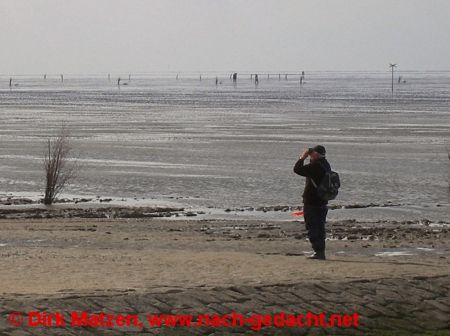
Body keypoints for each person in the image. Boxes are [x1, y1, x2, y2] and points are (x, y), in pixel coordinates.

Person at [293, 145, 331, 260]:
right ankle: (320, 251)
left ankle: (318, 252)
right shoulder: (325, 164)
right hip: (323, 201)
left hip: (312, 202)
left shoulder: (315, 166)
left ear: (316, 154)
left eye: (312, 153)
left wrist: (302, 157)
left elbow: (297, 169)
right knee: (320, 227)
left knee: (313, 227)